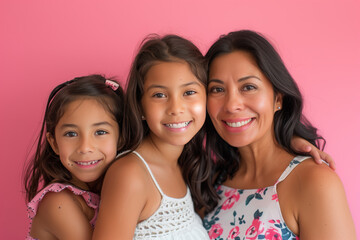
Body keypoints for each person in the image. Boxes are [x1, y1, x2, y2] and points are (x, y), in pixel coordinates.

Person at [202, 30, 356, 239]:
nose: (231, 105)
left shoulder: (314, 181)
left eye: (248, 87)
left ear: (278, 99)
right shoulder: (211, 182)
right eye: (217, 89)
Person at [92, 34, 211, 239]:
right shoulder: (130, 174)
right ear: (140, 106)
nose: (176, 109)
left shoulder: (184, 164)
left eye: (189, 92)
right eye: (159, 95)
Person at [23, 75, 125, 240]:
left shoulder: (111, 190)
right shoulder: (58, 203)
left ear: (120, 138)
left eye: (100, 132)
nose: (85, 148)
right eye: (71, 134)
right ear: (54, 143)